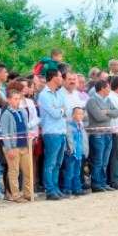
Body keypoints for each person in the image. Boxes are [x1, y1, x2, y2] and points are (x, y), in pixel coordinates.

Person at [37, 69, 68, 200]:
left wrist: (60, 109)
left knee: (57, 164)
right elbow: (55, 114)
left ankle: (55, 188)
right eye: (60, 76)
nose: (62, 78)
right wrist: (61, 109)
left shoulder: (60, 93)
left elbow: (66, 110)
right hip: (51, 132)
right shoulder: (44, 95)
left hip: (61, 131)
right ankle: (49, 190)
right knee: (50, 163)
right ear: (53, 77)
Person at [0, 90, 34, 202]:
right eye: (15, 99)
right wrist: (9, 148)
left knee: (28, 170)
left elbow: (26, 127)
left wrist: (29, 140)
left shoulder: (22, 111)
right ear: (9, 100)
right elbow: (5, 133)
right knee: (14, 171)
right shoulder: (6, 114)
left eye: (19, 98)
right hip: (13, 147)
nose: (17, 101)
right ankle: (16, 195)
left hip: (24, 145)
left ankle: (27, 193)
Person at [86, 80, 118, 192]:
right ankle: (96, 183)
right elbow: (98, 117)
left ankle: (103, 182)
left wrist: (106, 111)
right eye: (108, 87)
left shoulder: (108, 100)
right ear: (102, 88)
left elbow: (117, 113)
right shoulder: (92, 101)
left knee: (105, 160)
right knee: (98, 160)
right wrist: (109, 113)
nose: (109, 90)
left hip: (107, 133)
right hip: (97, 135)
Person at [63, 107, 88, 196]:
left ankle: (77, 188)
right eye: (78, 113)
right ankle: (67, 189)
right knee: (69, 172)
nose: (81, 115)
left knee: (77, 172)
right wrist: (70, 149)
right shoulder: (69, 125)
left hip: (79, 152)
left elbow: (84, 139)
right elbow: (69, 138)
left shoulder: (81, 125)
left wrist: (85, 150)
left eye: (82, 114)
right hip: (72, 152)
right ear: (73, 115)